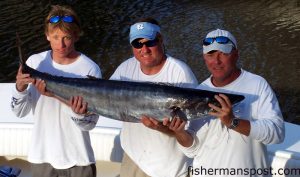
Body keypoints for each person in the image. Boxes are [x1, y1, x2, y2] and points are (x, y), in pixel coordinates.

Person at [164, 29, 285, 177]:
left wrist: (233, 122)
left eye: (223, 53)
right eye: (211, 54)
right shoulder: (200, 91)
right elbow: (192, 150)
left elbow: (277, 133)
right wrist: (179, 132)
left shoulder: (257, 84)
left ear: (236, 54)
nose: (216, 61)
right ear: (204, 57)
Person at [11, 5, 101, 177]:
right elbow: (19, 112)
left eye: (66, 37)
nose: (61, 44)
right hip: (41, 158)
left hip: (79, 160)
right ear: (47, 36)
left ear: (76, 35)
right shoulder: (35, 62)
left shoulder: (90, 68)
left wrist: (78, 112)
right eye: (56, 37)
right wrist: (20, 88)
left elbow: (89, 124)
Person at [110, 18, 198, 177]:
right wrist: (83, 110)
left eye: (150, 42)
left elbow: (189, 134)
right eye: (137, 44)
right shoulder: (125, 69)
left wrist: (160, 127)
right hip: (133, 158)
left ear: (161, 39)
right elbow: (104, 100)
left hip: (168, 167)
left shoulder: (180, 73)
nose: (144, 49)